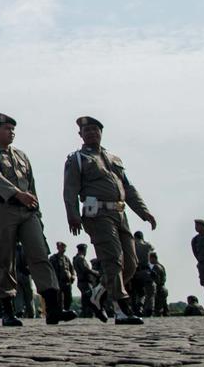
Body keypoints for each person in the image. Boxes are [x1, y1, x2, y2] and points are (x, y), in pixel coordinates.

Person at [0, 112, 75, 327]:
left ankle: (53, 308)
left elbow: (31, 186)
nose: (11, 132)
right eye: (6, 129)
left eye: (13, 129)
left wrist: (37, 211)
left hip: (28, 211)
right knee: (4, 258)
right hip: (2, 209)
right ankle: (8, 310)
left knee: (40, 254)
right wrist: (16, 194)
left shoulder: (21, 156)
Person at [62, 115, 154, 325]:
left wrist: (144, 212)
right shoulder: (77, 159)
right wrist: (73, 215)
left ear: (101, 133)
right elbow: (70, 190)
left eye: (95, 129)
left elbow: (128, 188)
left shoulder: (114, 159)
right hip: (98, 215)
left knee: (130, 263)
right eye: (87, 131)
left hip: (120, 213)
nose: (92, 133)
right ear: (80, 135)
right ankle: (121, 309)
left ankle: (99, 293)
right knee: (113, 260)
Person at [131, 231, 155, 316]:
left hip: (135, 271)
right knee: (150, 292)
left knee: (137, 292)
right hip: (146, 271)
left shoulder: (132, 244)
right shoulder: (147, 245)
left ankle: (137, 308)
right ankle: (148, 309)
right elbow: (153, 248)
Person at [73, 243, 98, 318]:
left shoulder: (76, 258)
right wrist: (95, 273)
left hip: (81, 281)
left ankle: (85, 313)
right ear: (84, 250)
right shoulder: (81, 258)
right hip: (85, 281)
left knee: (85, 298)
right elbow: (85, 269)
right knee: (90, 298)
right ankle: (88, 314)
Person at [50, 242, 74, 317]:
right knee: (58, 298)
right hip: (58, 281)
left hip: (67, 282)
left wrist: (72, 276)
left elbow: (71, 269)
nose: (63, 249)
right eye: (61, 247)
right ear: (58, 248)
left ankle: (67, 310)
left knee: (68, 297)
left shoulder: (66, 258)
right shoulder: (53, 258)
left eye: (64, 247)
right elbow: (50, 269)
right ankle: (59, 312)